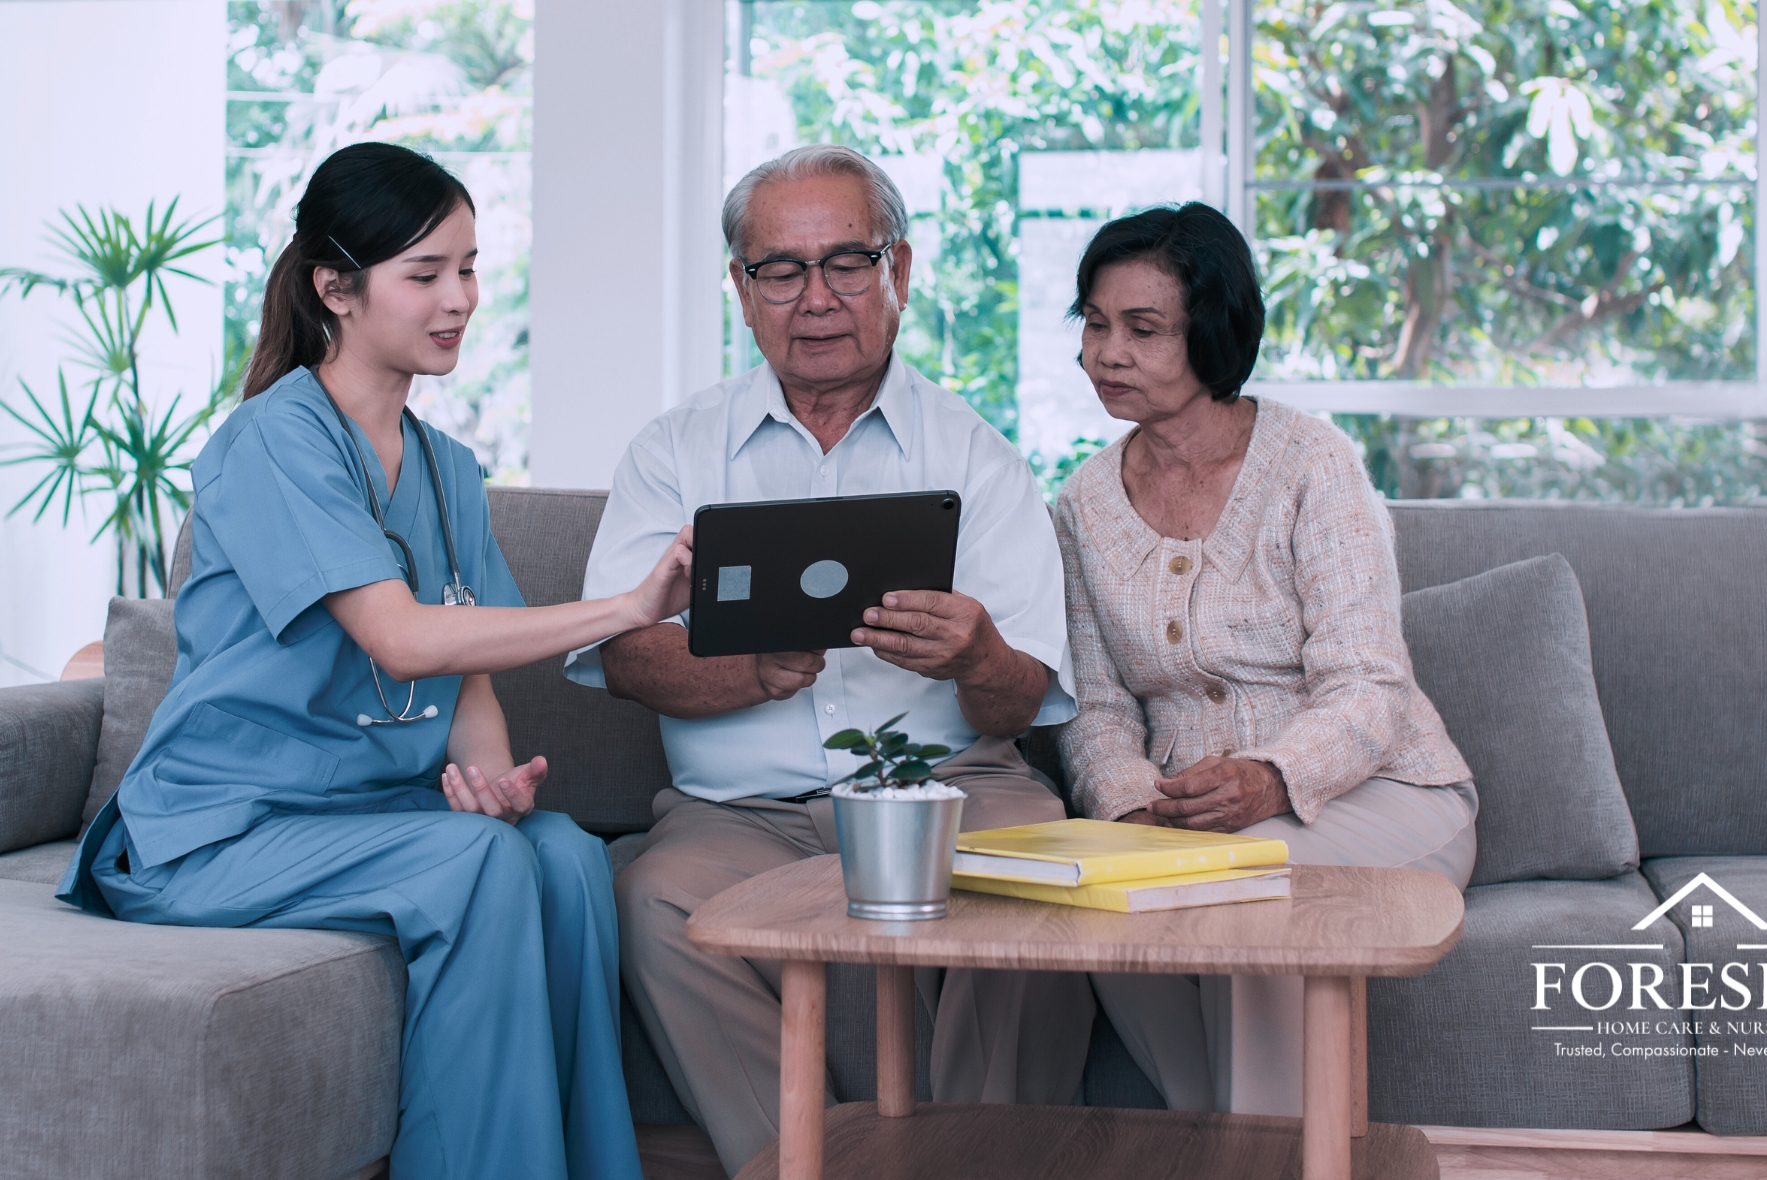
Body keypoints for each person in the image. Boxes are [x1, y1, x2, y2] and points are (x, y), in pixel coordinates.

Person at [56, 142, 692, 1180]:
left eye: (471, 268)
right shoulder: (275, 442)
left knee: (568, 857)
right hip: (221, 828)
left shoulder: (447, 465)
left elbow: (469, 669)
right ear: (335, 287)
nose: (459, 299)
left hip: (363, 818)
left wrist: (490, 785)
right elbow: (401, 637)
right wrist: (622, 606)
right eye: (426, 273)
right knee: (481, 863)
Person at [565, 144, 1094, 1176]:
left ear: (899, 271)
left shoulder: (976, 458)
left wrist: (973, 650)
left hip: (949, 793)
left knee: (1039, 879)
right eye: (781, 269)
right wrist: (748, 672)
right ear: (741, 289)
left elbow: (1022, 698)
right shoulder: (675, 451)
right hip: (737, 815)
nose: (815, 298)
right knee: (651, 897)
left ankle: (968, 1164)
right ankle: (814, 1165)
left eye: (846, 262)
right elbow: (624, 656)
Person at [1054, 202, 1478, 1116]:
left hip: (1383, 795)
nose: (1105, 353)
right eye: (1093, 322)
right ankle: (1248, 1148)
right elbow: (1095, 704)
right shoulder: (1081, 504)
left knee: (1239, 888)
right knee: (1104, 901)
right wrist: (1127, 803)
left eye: (1142, 328)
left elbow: (1368, 682)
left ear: (1211, 332)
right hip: (1184, 824)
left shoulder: (1312, 464)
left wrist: (1271, 779)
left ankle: (1271, 1150)